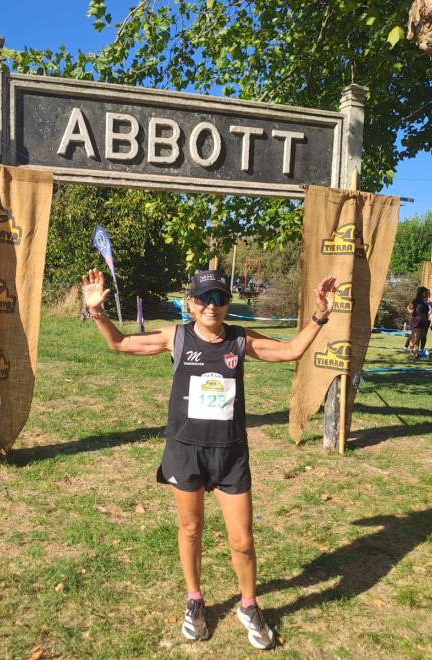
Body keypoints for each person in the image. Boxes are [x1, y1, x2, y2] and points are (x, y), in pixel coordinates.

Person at [81, 267, 337, 651]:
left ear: (227, 304)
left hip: (230, 454)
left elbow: (291, 351)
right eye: (204, 298)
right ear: (191, 303)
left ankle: (248, 605)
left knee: (243, 540)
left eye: (219, 298)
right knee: (190, 529)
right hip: (185, 451)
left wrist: (320, 315)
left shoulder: (239, 339)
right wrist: (97, 312)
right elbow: (119, 344)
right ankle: (195, 600)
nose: (211, 306)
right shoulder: (176, 336)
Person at [407, 287, 431, 360]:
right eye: (425, 292)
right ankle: (412, 354)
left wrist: (412, 314)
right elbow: (417, 309)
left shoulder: (417, 301)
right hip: (418, 321)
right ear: (421, 293)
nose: (427, 294)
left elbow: (409, 308)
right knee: (416, 338)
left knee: (417, 339)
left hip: (417, 320)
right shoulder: (419, 302)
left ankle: (416, 354)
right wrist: (422, 318)